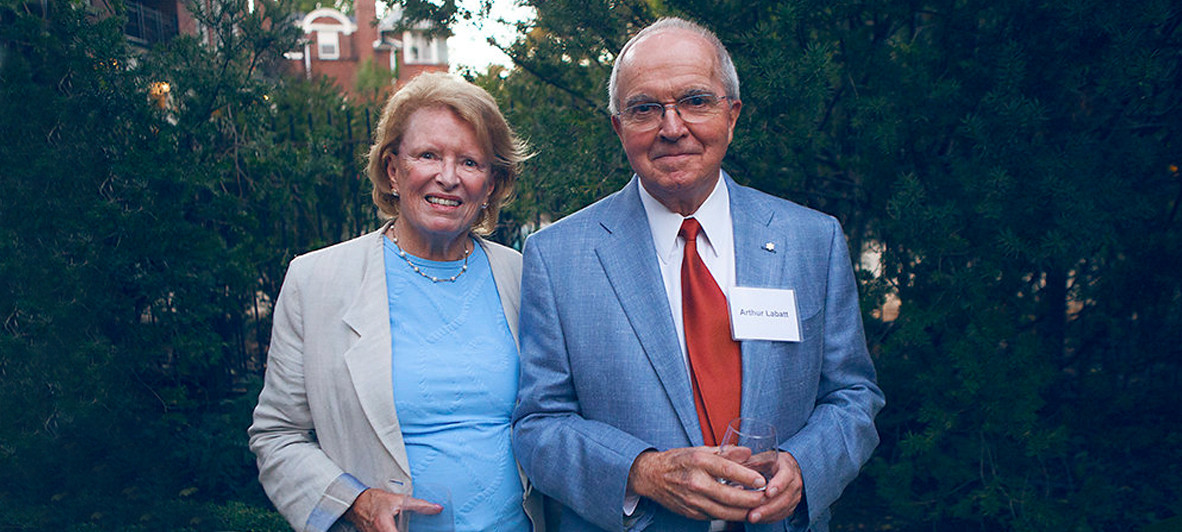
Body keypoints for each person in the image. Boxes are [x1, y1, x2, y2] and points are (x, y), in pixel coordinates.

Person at [511, 17, 884, 532]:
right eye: (645, 108)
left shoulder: (810, 241)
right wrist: (642, 471)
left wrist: (803, 467)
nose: (672, 127)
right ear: (619, 127)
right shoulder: (558, 256)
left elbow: (852, 395)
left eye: (695, 101)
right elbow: (539, 424)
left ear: (732, 115)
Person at [249, 72, 542, 532]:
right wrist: (355, 501)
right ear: (392, 169)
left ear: (491, 184)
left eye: (470, 162)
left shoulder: (524, 276)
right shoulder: (317, 280)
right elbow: (277, 434)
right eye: (428, 155)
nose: (448, 177)